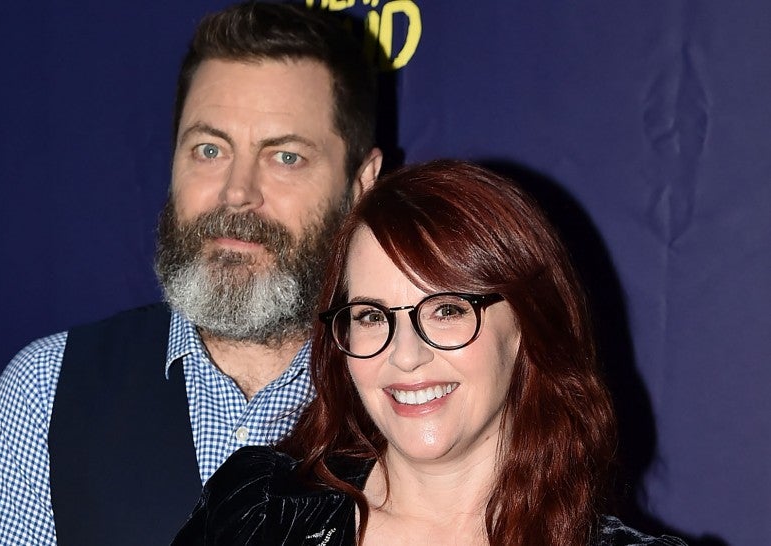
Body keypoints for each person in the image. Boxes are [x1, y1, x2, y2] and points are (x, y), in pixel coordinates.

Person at [0, 3, 383, 544]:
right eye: (210, 149)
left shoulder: (413, 394)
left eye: (286, 157)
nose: (237, 192)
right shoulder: (46, 391)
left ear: (361, 183)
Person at [172, 160, 688, 546]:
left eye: (446, 310)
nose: (405, 356)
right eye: (372, 316)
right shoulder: (259, 513)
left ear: (526, 325)